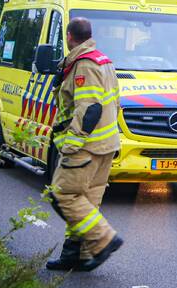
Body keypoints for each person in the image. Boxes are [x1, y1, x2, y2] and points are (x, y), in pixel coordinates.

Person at [45, 17, 124, 272]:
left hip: (87, 146)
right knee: (85, 202)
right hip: (106, 145)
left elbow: (89, 108)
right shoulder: (104, 61)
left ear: (69, 36)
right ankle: (75, 256)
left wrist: (72, 143)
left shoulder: (85, 65)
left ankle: (103, 239)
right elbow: (114, 103)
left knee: (62, 194)